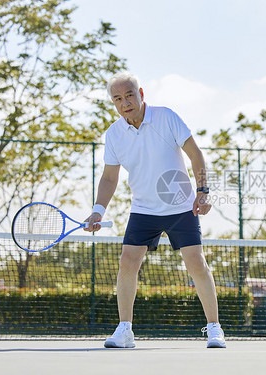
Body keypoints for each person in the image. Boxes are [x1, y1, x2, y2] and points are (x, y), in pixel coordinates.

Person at [84, 72, 226, 349]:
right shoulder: (114, 134)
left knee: (195, 262)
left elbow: (195, 154)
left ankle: (214, 328)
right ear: (113, 103)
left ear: (141, 94)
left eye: (129, 95)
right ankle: (125, 331)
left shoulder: (166, 117)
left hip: (181, 206)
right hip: (143, 209)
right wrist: (98, 210)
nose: (125, 102)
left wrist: (203, 191)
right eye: (118, 98)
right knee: (127, 261)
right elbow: (109, 178)